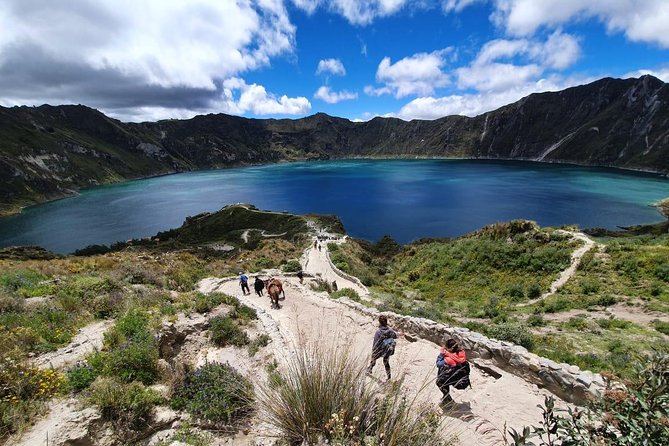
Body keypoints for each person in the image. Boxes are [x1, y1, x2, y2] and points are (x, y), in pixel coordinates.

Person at [436, 338, 467, 406]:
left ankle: (448, 399)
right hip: (460, 377)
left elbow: (438, 364)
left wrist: (441, 355)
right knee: (444, 381)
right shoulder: (461, 353)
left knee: (439, 382)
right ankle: (446, 398)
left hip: (451, 377)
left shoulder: (448, 359)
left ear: (449, 349)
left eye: (446, 347)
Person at [367, 315, 398, 381]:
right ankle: (389, 377)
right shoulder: (390, 330)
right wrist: (401, 334)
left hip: (380, 349)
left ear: (379, 322)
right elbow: (395, 336)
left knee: (374, 359)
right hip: (387, 349)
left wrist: (374, 352)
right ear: (386, 322)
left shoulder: (378, 332)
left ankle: (370, 369)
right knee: (386, 362)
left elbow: (376, 343)